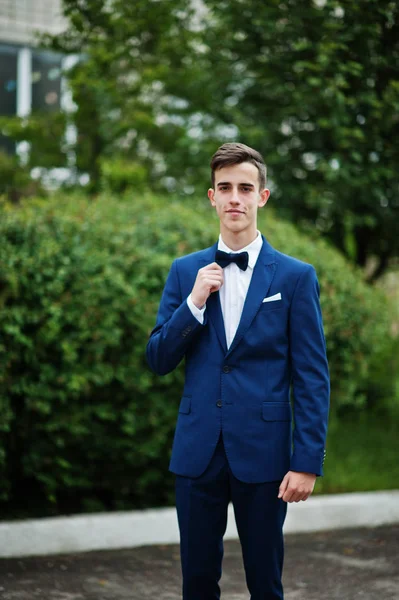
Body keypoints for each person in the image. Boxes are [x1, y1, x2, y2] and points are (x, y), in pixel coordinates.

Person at [146, 142, 330, 600]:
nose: (234, 197)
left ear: (261, 197)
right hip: (197, 453)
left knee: (266, 584)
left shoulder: (294, 277)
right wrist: (193, 303)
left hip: (265, 455)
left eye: (245, 188)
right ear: (211, 196)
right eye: (224, 187)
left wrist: (306, 461)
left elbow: (311, 374)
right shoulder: (185, 270)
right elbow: (158, 359)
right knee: (197, 582)